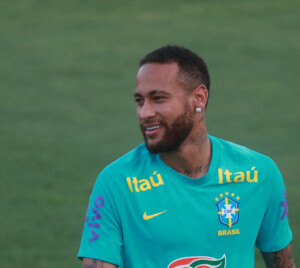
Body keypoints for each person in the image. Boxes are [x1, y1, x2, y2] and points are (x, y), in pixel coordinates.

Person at [78, 45, 295, 268]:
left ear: (199, 98)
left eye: (159, 98)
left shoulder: (259, 174)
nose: (144, 113)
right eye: (140, 101)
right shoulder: (117, 182)